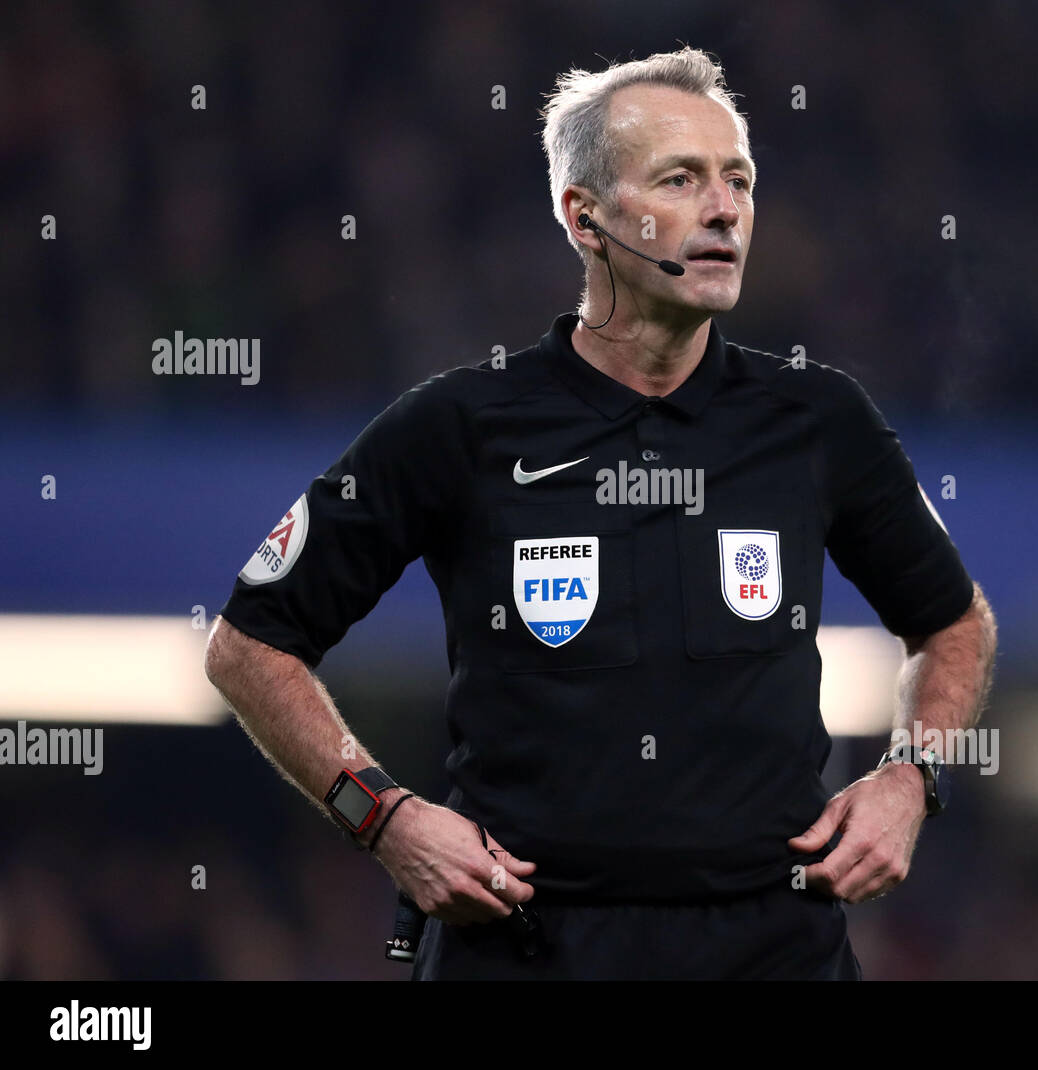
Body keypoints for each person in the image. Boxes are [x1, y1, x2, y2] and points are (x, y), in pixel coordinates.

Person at [204, 45, 997, 981]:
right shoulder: (462, 425)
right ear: (585, 216)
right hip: (527, 949)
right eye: (681, 178)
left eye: (737, 180)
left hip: (772, 948)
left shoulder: (816, 420)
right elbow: (249, 646)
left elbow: (955, 626)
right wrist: (382, 818)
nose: (724, 208)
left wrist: (912, 778)